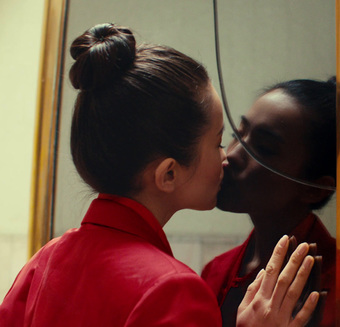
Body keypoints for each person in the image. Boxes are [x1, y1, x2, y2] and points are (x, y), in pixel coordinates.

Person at [0, 24, 319, 326]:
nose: (226, 157)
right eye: (218, 142)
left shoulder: (46, 258)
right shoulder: (174, 291)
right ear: (168, 174)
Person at [202, 78, 337, 327]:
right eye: (237, 135)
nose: (230, 155)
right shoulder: (215, 272)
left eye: (263, 148)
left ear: (314, 189)